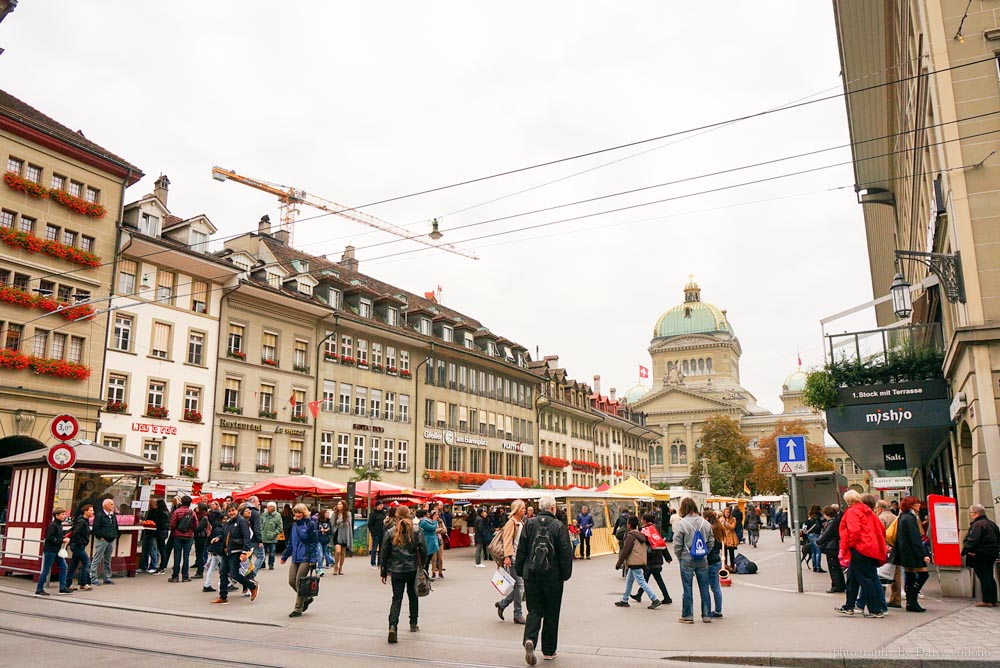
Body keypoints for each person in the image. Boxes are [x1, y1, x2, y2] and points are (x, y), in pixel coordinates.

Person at [515, 494, 573, 665]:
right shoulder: (559, 526)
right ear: (553, 508)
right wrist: (565, 574)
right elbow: (565, 553)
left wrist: (521, 570)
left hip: (531, 575)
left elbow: (522, 549)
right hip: (553, 577)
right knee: (552, 612)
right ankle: (548, 651)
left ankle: (530, 639)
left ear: (540, 507)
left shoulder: (529, 524)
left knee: (534, 610)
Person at [836, 490, 886, 617]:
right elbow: (880, 529)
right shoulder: (868, 511)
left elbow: (854, 530)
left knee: (865, 580)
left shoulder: (852, 511)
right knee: (853, 578)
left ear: (848, 501)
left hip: (860, 548)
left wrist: (851, 545)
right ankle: (849, 606)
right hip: (870, 548)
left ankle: (875, 610)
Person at [381, 505, 427, 642]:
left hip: (396, 570)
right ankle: (413, 623)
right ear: (409, 514)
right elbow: (423, 549)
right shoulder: (417, 530)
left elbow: (384, 553)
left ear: (396, 515)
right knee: (413, 596)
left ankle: (393, 626)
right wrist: (422, 566)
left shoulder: (390, 532)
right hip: (412, 569)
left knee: (397, 598)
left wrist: (383, 571)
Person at [673, 497, 714, 624]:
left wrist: (679, 556)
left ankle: (688, 615)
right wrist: (705, 552)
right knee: (704, 588)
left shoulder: (682, 523)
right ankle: (706, 615)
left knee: (687, 588)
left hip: (686, 558)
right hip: (702, 558)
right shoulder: (705, 523)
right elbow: (711, 541)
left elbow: (677, 543)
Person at [210, 503, 260, 605]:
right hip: (226, 551)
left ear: (237, 510)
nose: (231, 513)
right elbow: (224, 534)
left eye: (233, 510)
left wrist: (244, 552)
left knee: (234, 573)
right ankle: (223, 597)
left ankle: (252, 586)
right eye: (229, 511)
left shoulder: (242, 521)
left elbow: (246, 537)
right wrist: (218, 538)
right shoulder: (228, 522)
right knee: (223, 573)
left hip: (236, 551)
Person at [891, 495, 931, 613]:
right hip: (913, 552)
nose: (919, 505)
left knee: (910, 575)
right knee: (924, 574)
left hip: (904, 551)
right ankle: (912, 600)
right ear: (911, 505)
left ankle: (910, 601)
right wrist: (924, 554)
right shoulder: (911, 518)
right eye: (916, 503)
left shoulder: (902, 517)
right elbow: (915, 538)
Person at [614, 515, 662, 609]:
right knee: (629, 580)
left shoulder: (630, 536)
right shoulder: (640, 534)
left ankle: (654, 599)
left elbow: (625, 551)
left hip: (634, 562)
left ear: (629, 525)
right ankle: (625, 599)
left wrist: (619, 563)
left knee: (641, 581)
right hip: (639, 561)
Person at [281, 503, 319, 618]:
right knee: (292, 581)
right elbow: (291, 543)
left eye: (299, 513)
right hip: (295, 557)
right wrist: (284, 556)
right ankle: (307, 598)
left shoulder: (310, 524)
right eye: (296, 512)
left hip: (306, 558)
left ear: (304, 513)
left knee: (299, 582)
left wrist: (313, 559)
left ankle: (298, 608)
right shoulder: (294, 526)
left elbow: (313, 543)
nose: (297, 515)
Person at [631, 512, 673, 606]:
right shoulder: (656, 530)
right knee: (653, 578)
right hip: (657, 558)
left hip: (649, 558)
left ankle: (643, 595)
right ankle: (665, 597)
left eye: (642, 519)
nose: (641, 521)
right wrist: (667, 557)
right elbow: (662, 544)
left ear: (645, 520)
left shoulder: (643, 530)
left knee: (645, 578)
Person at [495, 499, 527, 624]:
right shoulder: (511, 523)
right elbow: (507, 540)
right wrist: (507, 557)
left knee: (518, 587)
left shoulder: (520, 522)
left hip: (520, 558)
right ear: (518, 510)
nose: (525, 510)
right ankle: (517, 614)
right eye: (523, 508)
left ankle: (502, 604)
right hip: (513, 558)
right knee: (519, 586)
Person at [963, 504, 1000, 607]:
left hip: (980, 555)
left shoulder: (978, 525)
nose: (970, 515)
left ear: (976, 513)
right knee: (989, 576)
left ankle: (987, 600)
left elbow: (973, 540)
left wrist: (966, 549)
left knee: (984, 577)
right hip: (991, 554)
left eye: (971, 513)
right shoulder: (992, 524)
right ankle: (993, 600)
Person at [36, 507, 72, 596]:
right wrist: (61, 540)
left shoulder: (59, 525)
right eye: (62, 514)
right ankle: (39, 589)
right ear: (57, 515)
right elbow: (50, 538)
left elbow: (56, 537)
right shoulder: (53, 525)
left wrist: (63, 538)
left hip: (56, 550)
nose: (65, 516)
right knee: (46, 569)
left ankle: (62, 588)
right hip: (50, 550)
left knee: (64, 567)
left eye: (65, 514)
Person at [876, 500, 902, 608]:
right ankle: (896, 599)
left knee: (883, 573)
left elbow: (880, 534)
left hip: (886, 548)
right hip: (896, 548)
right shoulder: (895, 517)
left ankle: (880, 598)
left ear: (880, 508)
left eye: (877, 508)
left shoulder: (881, 518)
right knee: (896, 574)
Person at [816, 505, 845, 594]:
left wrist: (819, 541)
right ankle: (840, 585)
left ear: (827, 514)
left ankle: (836, 586)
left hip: (831, 547)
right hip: (834, 546)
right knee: (837, 567)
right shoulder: (836, 521)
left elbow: (827, 534)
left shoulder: (832, 523)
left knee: (833, 568)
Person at [90, 498, 118, 585]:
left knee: (108, 559)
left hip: (111, 539)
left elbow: (115, 526)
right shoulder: (99, 515)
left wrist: (115, 535)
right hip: (102, 540)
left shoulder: (112, 515)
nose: (113, 506)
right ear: (105, 506)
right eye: (111, 504)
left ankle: (107, 577)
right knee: (97, 558)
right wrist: (100, 536)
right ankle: (93, 577)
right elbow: (95, 528)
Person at [168, 495, 196, 583]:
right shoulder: (192, 513)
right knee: (186, 556)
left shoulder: (176, 512)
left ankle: (175, 576)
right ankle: (185, 576)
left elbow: (172, 524)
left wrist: (174, 531)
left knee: (177, 556)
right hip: (188, 537)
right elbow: (196, 525)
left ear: (181, 502)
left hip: (177, 536)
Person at [702, 509, 724, 618]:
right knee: (716, 587)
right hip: (717, 560)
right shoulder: (719, 527)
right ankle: (718, 609)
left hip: (710, 560)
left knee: (710, 587)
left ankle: (713, 610)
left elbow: (707, 545)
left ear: (706, 518)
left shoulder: (709, 529)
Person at [67, 503, 94, 591]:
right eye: (90, 510)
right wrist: (81, 543)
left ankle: (68, 583)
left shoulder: (83, 521)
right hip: (78, 546)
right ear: (85, 512)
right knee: (86, 562)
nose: (92, 512)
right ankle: (83, 583)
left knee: (73, 564)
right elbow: (76, 534)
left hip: (77, 545)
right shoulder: (82, 522)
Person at [203, 509, 225, 593]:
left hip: (213, 550)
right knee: (225, 567)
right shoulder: (219, 527)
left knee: (212, 567)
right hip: (218, 550)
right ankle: (226, 584)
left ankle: (207, 585)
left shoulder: (213, 524)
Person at [417, 508, 440, 578]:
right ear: (424, 515)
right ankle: (425, 574)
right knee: (427, 560)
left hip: (429, 541)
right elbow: (432, 528)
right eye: (427, 513)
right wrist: (435, 521)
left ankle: (425, 574)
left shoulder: (425, 521)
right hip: (428, 541)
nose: (429, 514)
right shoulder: (424, 522)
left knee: (428, 559)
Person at [332, 499, 352, 575]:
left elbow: (348, 523)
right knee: (338, 551)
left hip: (344, 534)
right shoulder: (334, 514)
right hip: (337, 534)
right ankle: (335, 566)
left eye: (341, 504)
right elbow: (332, 524)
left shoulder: (348, 514)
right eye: (338, 504)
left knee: (343, 553)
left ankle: (341, 567)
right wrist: (340, 521)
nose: (339, 506)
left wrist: (339, 521)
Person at [261, 502, 284, 571]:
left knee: (272, 552)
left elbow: (280, 527)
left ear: (274, 508)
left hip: (273, 537)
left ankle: (271, 564)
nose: (268, 508)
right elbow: (260, 524)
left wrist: (275, 533)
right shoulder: (264, 515)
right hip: (264, 537)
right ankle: (262, 564)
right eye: (267, 507)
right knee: (262, 552)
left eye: (270, 507)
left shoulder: (277, 515)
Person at [245, 495, 265, 574]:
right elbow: (257, 528)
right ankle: (252, 574)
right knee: (261, 556)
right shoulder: (255, 513)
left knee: (247, 557)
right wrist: (260, 540)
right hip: (254, 538)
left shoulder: (243, 510)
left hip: (245, 537)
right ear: (253, 502)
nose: (259, 504)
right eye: (258, 502)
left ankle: (244, 574)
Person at [802, 505, 825, 573]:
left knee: (813, 552)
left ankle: (814, 566)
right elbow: (818, 526)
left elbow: (805, 528)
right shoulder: (817, 517)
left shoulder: (810, 517)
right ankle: (818, 567)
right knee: (818, 551)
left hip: (810, 535)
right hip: (815, 535)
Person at [368, 501, 387, 569]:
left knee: (381, 549)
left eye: (382, 505)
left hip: (383, 533)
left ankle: (380, 563)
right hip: (376, 533)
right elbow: (370, 524)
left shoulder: (383, 514)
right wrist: (373, 532)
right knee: (374, 548)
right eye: (380, 505)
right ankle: (373, 563)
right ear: (377, 506)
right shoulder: (373, 514)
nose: (382, 507)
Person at [193, 502, 209, 578]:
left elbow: (198, 528)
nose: (196, 509)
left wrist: (193, 527)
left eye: (197, 507)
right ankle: (199, 571)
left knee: (200, 554)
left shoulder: (204, 517)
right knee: (199, 554)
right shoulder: (200, 516)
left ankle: (200, 572)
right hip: (200, 536)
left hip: (201, 536)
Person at [316, 508, 334, 575]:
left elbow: (331, 531)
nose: (328, 514)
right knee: (320, 554)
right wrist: (321, 531)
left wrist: (328, 531)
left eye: (328, 513)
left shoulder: (329, 522)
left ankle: (319, 567)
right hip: (319, 540)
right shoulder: (318, 522)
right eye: (326, 513)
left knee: (324, 554)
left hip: (326, 540)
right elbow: (315, 531)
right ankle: (320, 568)